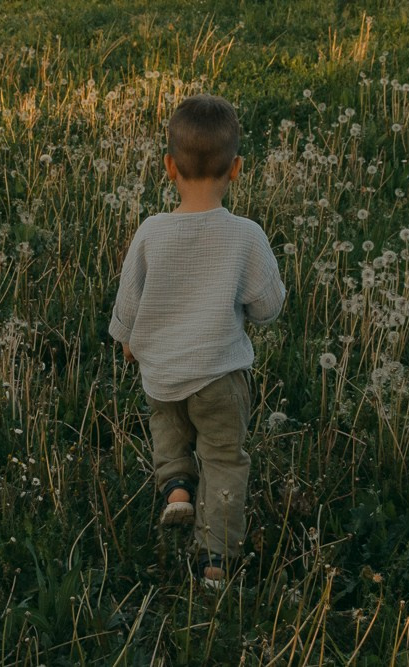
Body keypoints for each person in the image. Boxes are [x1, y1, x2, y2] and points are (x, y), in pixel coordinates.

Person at [109, 94, 285, 586]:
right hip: (220, 374)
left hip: (162, 372)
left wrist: (128, 339)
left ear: (168, 167)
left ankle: (177, 488)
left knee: (169, 430)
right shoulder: (246, 236)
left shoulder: (151, 231)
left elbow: (129, 299)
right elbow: (269, 307)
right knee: (225, 460)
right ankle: (215, 561)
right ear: (237, 169)